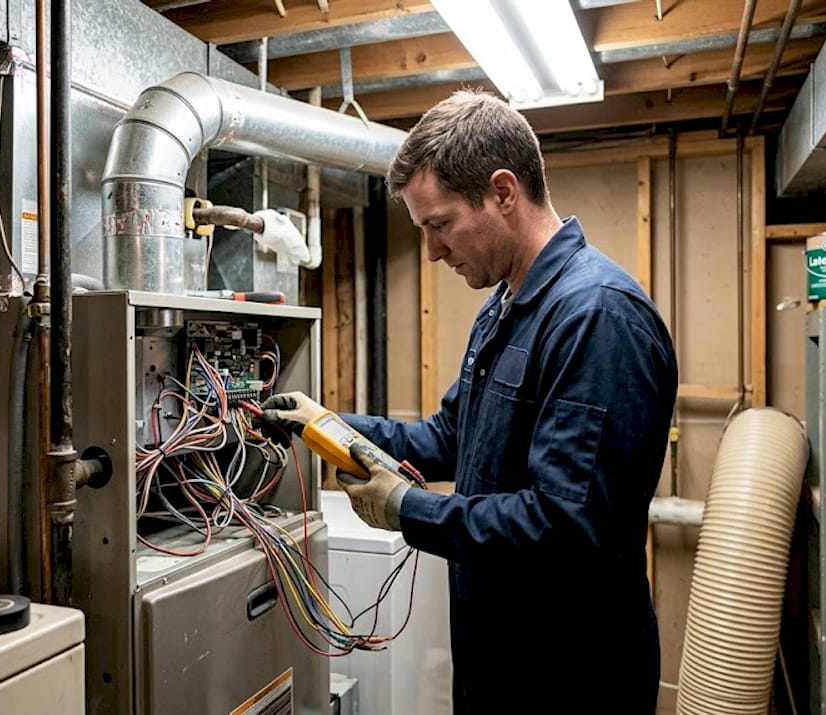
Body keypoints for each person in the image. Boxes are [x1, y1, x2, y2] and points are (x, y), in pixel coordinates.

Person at [262, 89, 677, 714]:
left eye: (440, 224)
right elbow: (448, 439)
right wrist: (326, 424)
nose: (431, 251)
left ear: (504, 192)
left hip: (570, 673)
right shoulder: (503, 309)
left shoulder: (597, 316)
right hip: (497, 657)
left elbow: (566, 528)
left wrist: (409, 510)